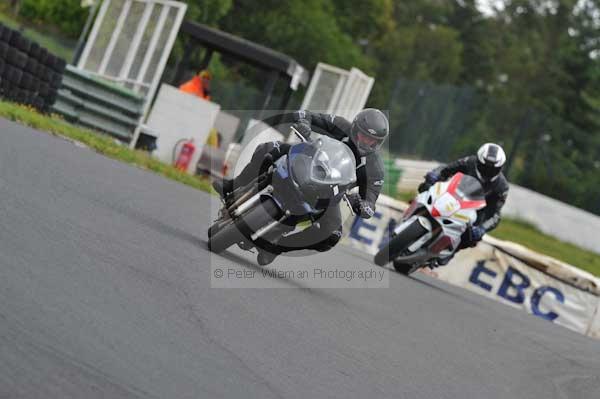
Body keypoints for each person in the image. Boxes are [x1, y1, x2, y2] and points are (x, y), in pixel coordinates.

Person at [213, 109, 389, 265]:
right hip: (306, 162)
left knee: (332, 235)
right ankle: (232, 186)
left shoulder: (375, 169)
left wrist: (363, 205)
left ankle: (275, 247)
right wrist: (304, 122)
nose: (366, 142)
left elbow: (371, 200)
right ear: (355, 128)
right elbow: (308, 115)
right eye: (364, 135)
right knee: (268, 148)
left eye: (372, 140)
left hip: (329, 193)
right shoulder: (341, 125)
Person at [417, 143, 509, 266]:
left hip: (475, 212)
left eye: (492, 169)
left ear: (500, 168)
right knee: (426, 187)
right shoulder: (469, 161)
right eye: (485, 166)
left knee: (472, 236)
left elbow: (496, 215)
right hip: (451, 194)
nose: (488, 171)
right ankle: (413, 213)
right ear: (479, 161)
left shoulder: (502, 186)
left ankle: (447, 252)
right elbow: (446, 168)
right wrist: (435, 175)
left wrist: (482, 229)